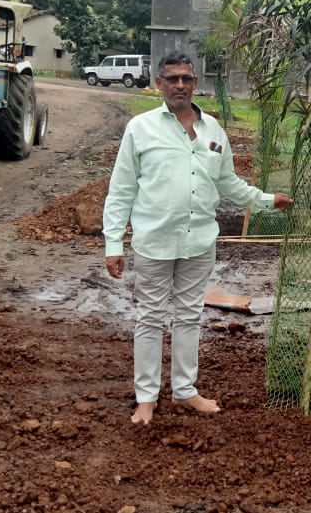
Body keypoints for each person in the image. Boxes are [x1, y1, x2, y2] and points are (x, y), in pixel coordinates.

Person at [103, 51, 293, 424]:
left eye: (186, 79)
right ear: (159, 83)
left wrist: (267, 200)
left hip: (199, 243)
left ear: (195, 83)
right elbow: (121, 190)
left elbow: (228, 183)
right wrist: (113, 244)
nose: (180, 85)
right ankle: (146, 398)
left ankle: (185, 391)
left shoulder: (213, 132)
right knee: (150, 318)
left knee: (189, 316)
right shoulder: (141, 129)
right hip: (154, 243)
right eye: (172, 78)